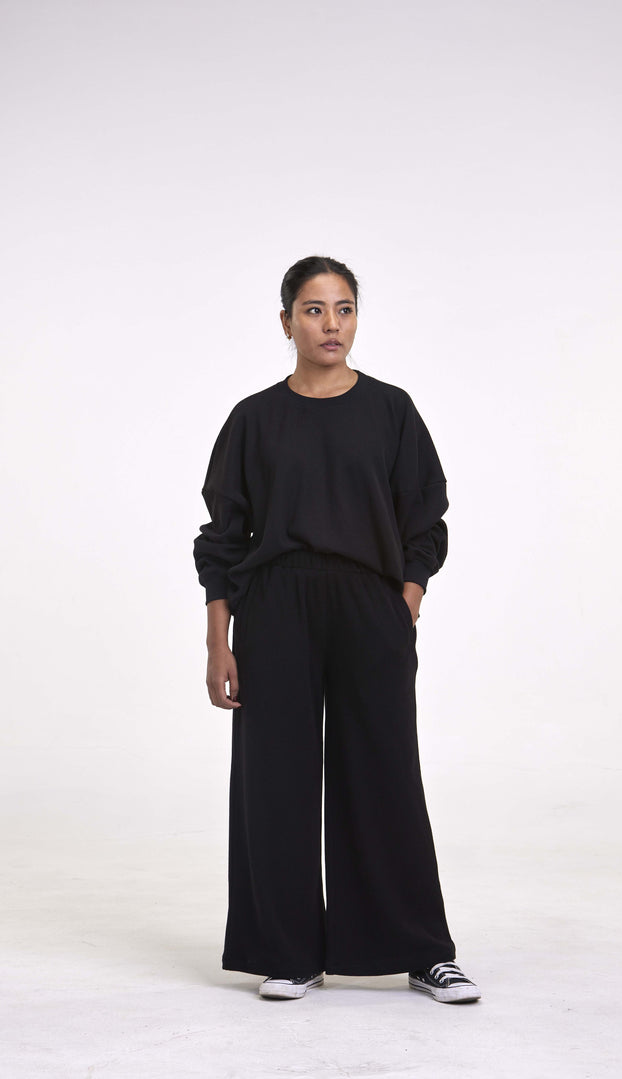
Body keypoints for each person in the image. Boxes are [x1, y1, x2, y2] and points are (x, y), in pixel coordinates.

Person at [192, 255, 480, 1005]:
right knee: (275, 778)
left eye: (344, 309)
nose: (331, 325)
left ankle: (421, 951)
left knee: (384, 773)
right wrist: (220, 641)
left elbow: (425, 518)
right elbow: (222, 539)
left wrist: (403, 602)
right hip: (276, 606)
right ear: (286, 320)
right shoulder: (254, 418)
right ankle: (288, 950)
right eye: (314, 310)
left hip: (368, 605)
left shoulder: (390, 410)